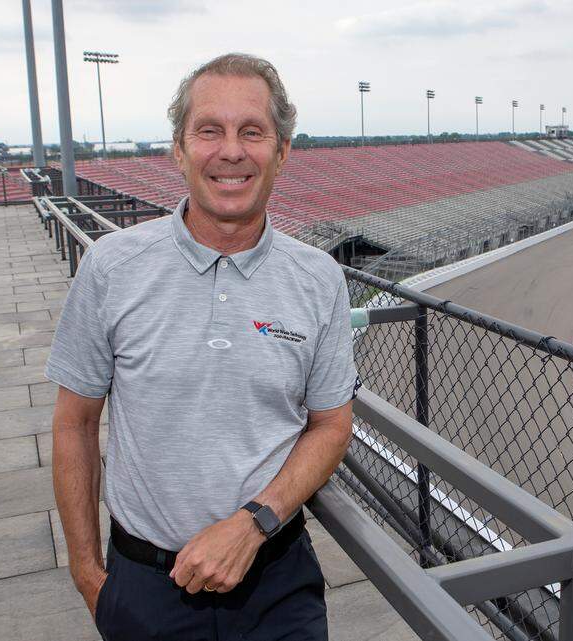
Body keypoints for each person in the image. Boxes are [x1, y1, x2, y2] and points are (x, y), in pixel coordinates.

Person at [47, 52, 357, 641]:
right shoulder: (113, 267)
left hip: (277, 582)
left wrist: (253, 524)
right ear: (179, 149)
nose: (231, 151)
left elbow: (331, 425)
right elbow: (74, 424)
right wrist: (89, 575)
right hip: (144, 586)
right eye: (209, 130)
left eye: (253, 132)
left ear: (283, 151)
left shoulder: (319, 278)